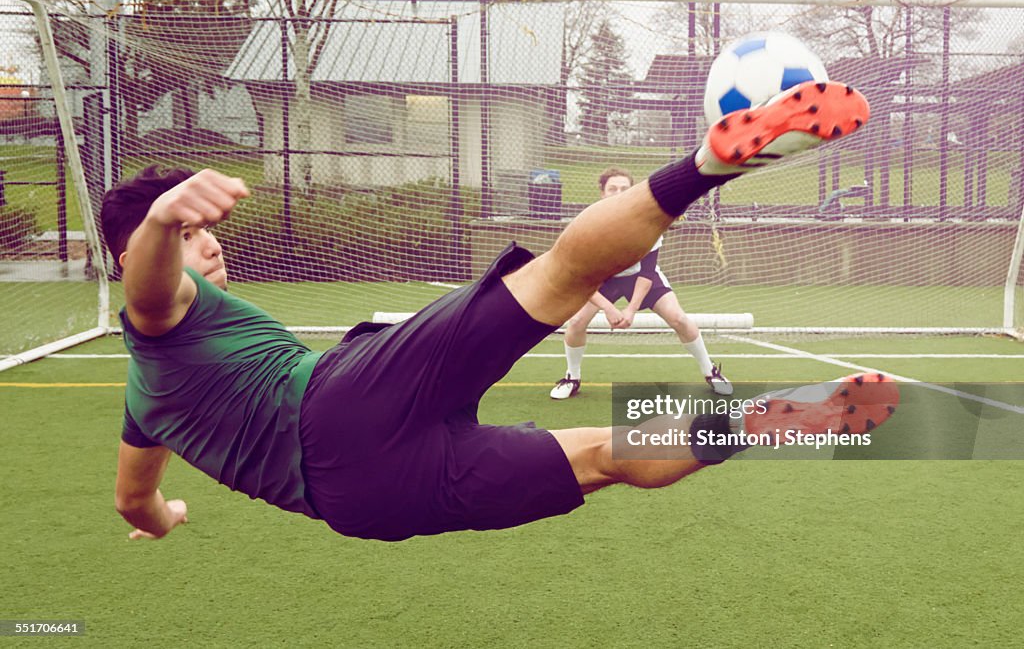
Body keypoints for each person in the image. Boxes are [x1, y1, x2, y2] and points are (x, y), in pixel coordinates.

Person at [104, 79, 895, 543]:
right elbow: (148, 289)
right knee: (557, 275)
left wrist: (165, 514)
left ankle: (784, 418)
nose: (205, 246)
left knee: (607, 456)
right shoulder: (165, 308)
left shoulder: (146, 403)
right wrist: (163, 219)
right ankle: (705, 167)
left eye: (205, 232)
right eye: (190, 236)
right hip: (339, 402)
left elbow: (132, 499)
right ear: (141, 252)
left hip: (357, 502)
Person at [550, 166, 732, 401]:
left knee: (678, 318)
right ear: (602, 193)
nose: (618, 193)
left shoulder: (648, 223)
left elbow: (647, 272)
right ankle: (572, 378)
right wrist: (608, 308)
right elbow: (583, 279)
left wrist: (631, 309)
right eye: (612, 188)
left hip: (640, 278)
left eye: (624, 189)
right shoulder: (588, 226)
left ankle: (711, 372)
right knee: (576, 322)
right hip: (601, 280)